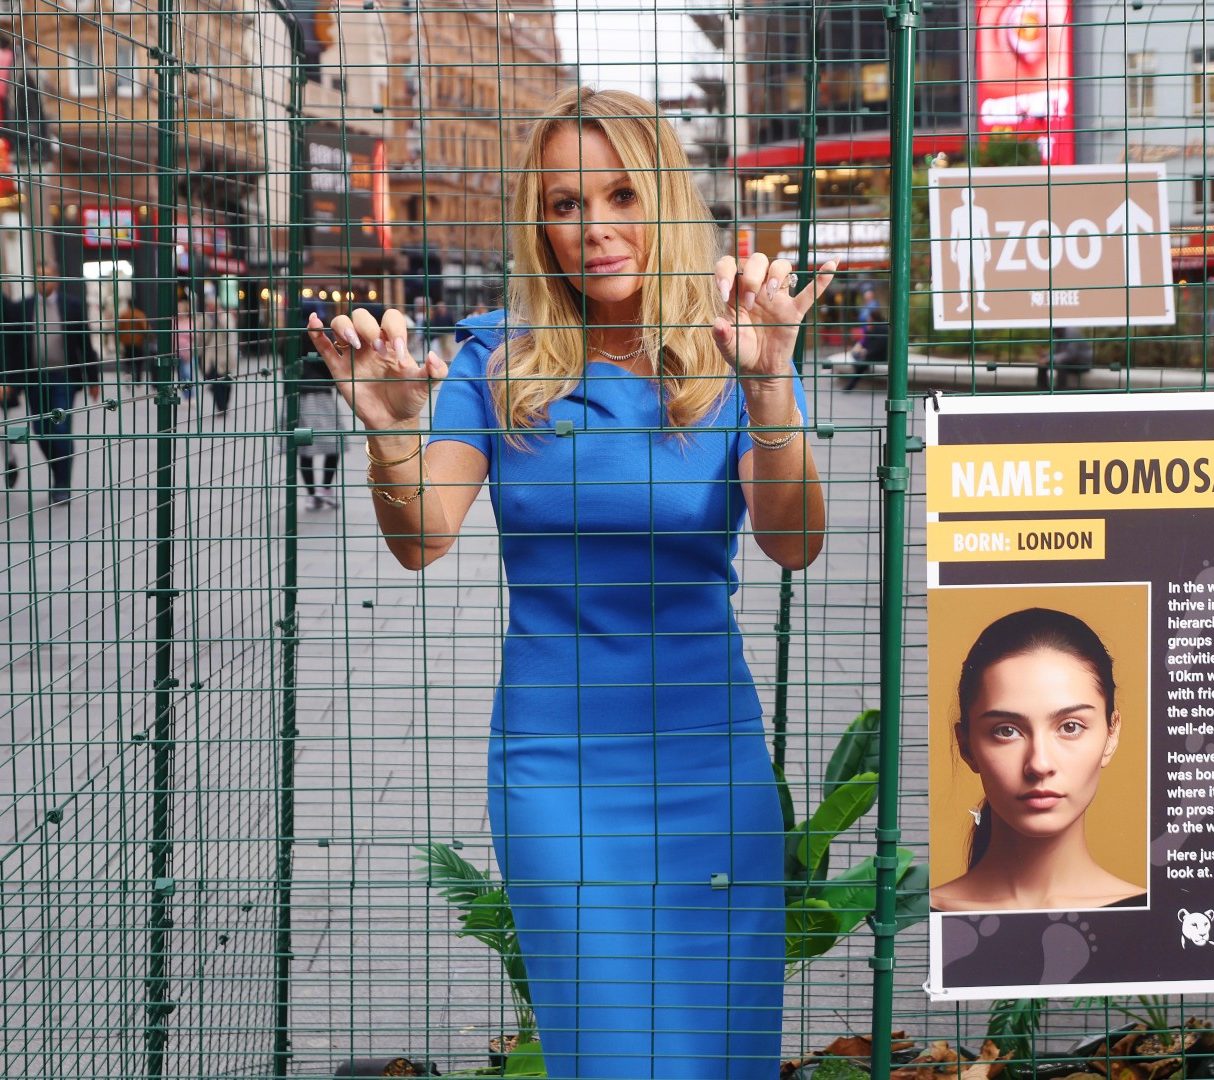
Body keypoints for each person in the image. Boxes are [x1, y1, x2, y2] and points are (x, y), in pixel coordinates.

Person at [307, 85, 833, 1079]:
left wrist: (770, 385)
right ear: (537, 220)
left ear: (667, 202)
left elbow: (795, 542)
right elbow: (420, 536)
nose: (593, 228)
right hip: (558, 773)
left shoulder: (733, 351)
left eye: (621, 196)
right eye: (564, 203)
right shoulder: (492, 364)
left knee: (722, 1051)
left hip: (707, 764)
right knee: (609, 1054)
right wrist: (389, 438)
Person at [931, 608, 1146, 913]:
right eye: (1006, 731)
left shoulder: (1158, 918)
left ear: (1111, 734)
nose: (1040, 764)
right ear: (966, 745)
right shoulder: (920, 919)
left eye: (1070, 727)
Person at [4, 266, 98, 504]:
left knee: (60, 429)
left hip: (64, 378)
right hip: (34, 379)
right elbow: (12, 347)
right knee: (41, 432)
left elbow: (84, 343)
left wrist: (93, 378)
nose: (43, 282)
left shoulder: (72, 305)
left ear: (55, 279)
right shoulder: (22, 308)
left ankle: (62, 485)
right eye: (38, 277)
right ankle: (59, 472)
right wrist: (10, 381)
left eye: (47, 277)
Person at [295, 351, 343, 510]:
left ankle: (317, 492)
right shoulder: (316, 330)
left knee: (306, 448)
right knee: (331, 444)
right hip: (315, 392)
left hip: (301, 392)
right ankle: (322, 490)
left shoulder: (286, 333)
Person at [843, 286, 888, 390]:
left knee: (861, 364)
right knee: (857, 356)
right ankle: (851, 383)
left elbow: (878, 346)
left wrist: (866, 352)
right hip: (873, 353)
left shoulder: (879, 329)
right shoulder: (873, 328)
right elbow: (866, 342)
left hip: (877, 356)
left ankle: (850, 386)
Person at [116, 299, 151, 380]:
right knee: (139, 362)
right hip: (138, 343)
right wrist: (147, 337)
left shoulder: (124, 315)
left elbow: (118, 329)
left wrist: (119, 340)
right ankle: (138, 379)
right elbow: (146, 328)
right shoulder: (140, 314)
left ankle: (128, 375)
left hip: (127, 343)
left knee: (128, 361)